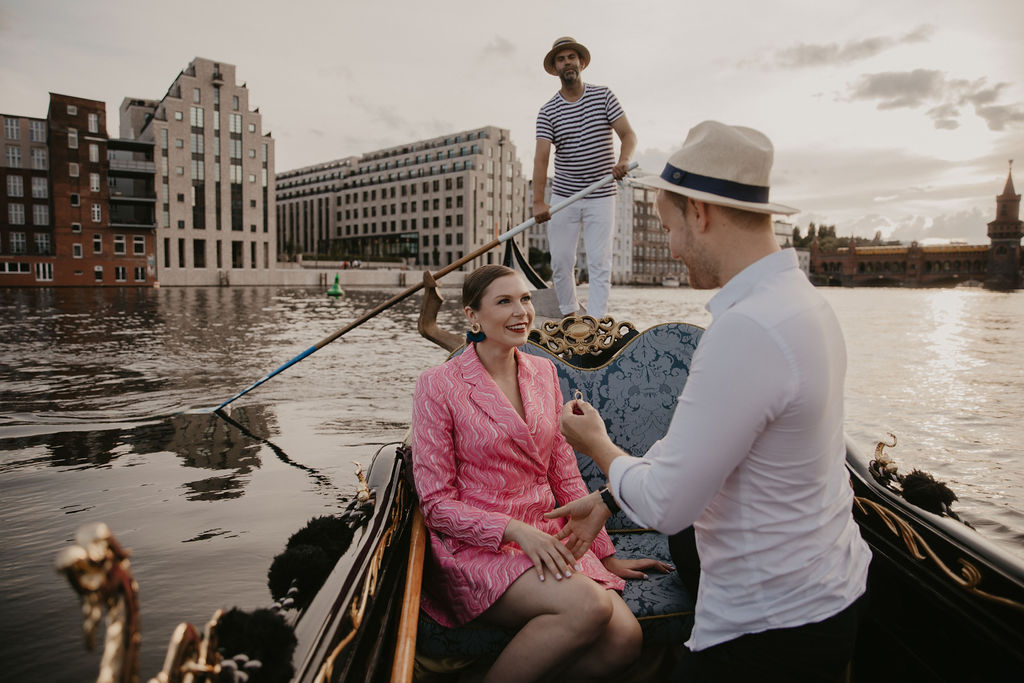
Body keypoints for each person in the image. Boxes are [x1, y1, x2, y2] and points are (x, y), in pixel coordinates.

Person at [548, 121, 872, 682]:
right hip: (830, 589)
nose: (671, 247)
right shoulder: (803, 304)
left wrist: (598, 444)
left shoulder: (748, 329)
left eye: (669, 226)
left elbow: (670, 505)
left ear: (700, 214)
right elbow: (699, 451)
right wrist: (607, 495)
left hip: (770, 625)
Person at [411, 264, 669, 683]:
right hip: (479, 548)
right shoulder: (437, 385)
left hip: (548, 537)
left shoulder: (543, 372)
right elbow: (437, 504)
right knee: (590, 606)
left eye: (526, 299)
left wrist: (604, 553)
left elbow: (563, 472)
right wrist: (513, 531)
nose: (522, 312)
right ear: (472, 316)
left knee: (625, 641)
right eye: (504, 301)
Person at [533, 37, 637, 319]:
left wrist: (623, 161)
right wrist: (538, 202)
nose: (567, 62)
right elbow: (541, 159)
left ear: (580, 62)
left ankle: (595, 321)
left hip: (601, 194)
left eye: (571, 57)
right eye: (561, 59)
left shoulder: (603, 96)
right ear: (555, 68)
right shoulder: (548, 111)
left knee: (599, 261)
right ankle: (569, 316)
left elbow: (628, 135)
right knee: (561, 261)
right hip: (565, 195)